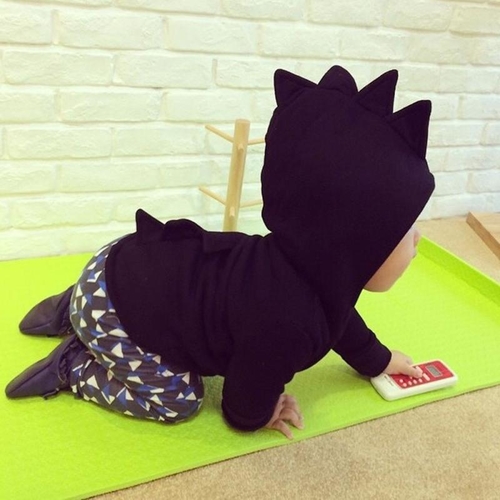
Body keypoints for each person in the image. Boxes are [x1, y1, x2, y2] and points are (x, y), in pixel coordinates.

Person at [5, 65, 434, 439]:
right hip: (115, 314)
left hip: (116, 263)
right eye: (405, 230)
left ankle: (72, 307)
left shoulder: (312, 274)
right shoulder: (288, 321)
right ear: (352, 242)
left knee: (146, 290)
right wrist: (261, 415)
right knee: (179, 401)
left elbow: (341, 323)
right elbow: (241, 407)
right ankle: (75, 367)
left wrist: (379, 361)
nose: (417, 239)